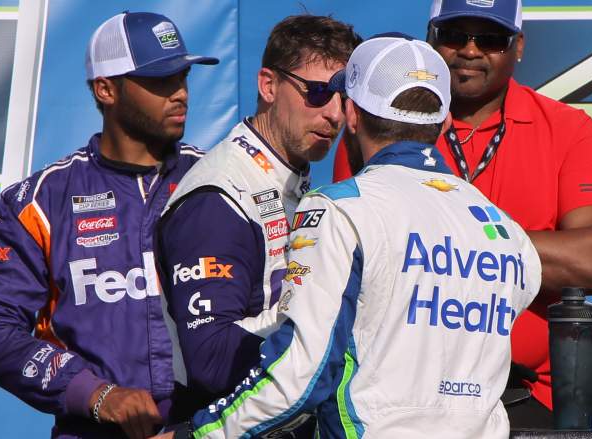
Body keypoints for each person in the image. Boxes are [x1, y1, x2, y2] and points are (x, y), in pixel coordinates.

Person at [157, 33, 542, 439]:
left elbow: (300, 373)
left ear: (353, 114)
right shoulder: (506, 232)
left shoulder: (343, 209)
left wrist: (196, 435)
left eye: (339, 101)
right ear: (445, 122)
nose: (333, 115)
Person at [332, 0, 592, 428]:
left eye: (490, 39)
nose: (470, 50)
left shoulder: (567, 129)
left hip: (521, 393)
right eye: (454, 35)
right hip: (398, 389)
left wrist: (454, 241)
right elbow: (359, 248)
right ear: (431, 39)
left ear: (518, 46)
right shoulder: (380, 124)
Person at [0, 11, 217, 439]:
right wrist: (96, 393)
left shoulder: (219, 181)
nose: (180, 94)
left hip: (210, 427)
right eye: (160, 80)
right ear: (106, 89)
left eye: (183, 77)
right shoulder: (39, 202)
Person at [153, 14, 360, 435]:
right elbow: (212, 358)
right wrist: (323, 346)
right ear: (268, 85)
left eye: (344, 97)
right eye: (319, 93)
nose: (335, 115)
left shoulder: (287, 178)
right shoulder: (219, 195)